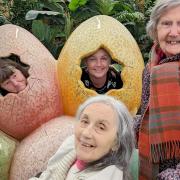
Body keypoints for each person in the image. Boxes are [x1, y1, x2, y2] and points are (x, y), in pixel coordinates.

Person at [30, 95, 136, 180]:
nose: (86, 133)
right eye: (85, 121)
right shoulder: (70, 146)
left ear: (116, 143)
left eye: (101, 127)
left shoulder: (108, 175)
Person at [135, 0, 180, 179]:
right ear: (155, 30)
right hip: (153, 167)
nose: (174, 32)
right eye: (166, 23)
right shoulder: (150, 70)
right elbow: (146, 118)